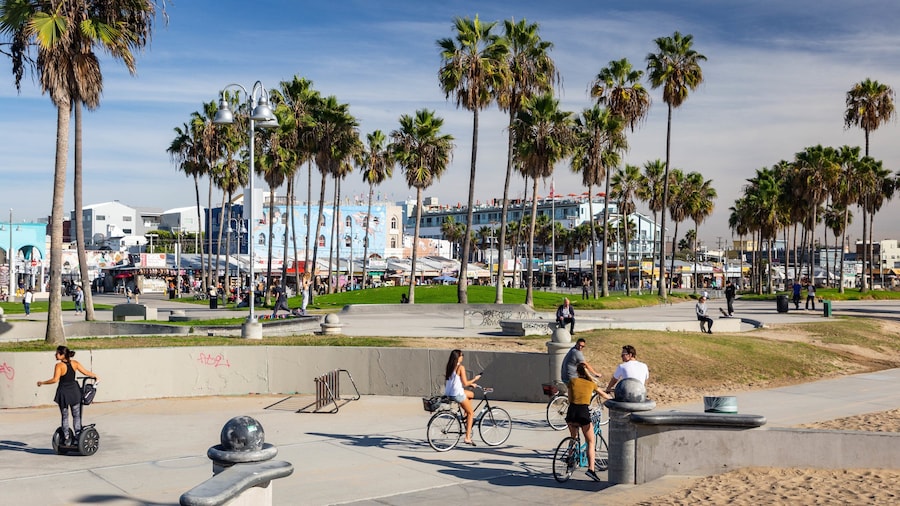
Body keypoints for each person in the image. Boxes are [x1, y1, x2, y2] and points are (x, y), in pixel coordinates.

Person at [37, 346, 98, 445]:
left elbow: (55, 380)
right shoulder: (75, 363)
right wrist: (96, 376)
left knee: (65, 416)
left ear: (62, 355)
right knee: (76, 416)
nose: (55, 355)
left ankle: (66, 438)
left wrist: (42, 382)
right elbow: (86, 372)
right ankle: (78, 436)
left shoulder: (59, 366)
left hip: (64, 392)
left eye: (57, 353)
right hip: (74, 392)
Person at [566, 362, 611, 482]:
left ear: (577, 372)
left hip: (571, 411)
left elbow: (570, 398)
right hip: (583, 412)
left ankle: (570, 458)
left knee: (573, 437)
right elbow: (605, 396)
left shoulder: (572, 381)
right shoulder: (591, 384)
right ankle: (591, 469)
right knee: (591, 441)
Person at [443, 349, 482, 446]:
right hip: (457, 394)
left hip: (450, 393)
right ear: (458, 357)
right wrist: (474, 380)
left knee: (471, 394)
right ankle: (467, 438)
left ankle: (465, 418)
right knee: (471, 413)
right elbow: (465, 383)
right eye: (462, 355)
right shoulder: (460, 367)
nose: (463, 357)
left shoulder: (450, 366)